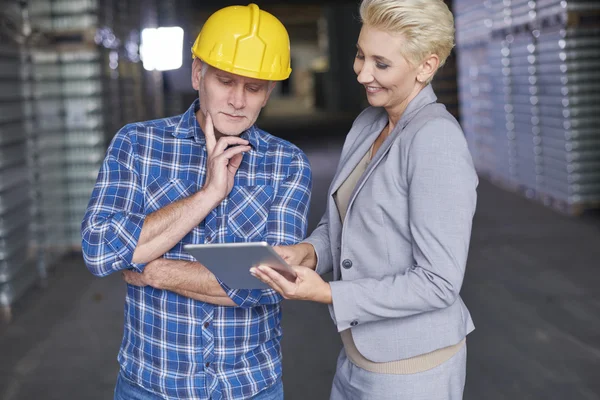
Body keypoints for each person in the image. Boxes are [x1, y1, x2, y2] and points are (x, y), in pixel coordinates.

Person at [81, 4, 312, 399]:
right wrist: (209, 195)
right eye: (225, 81)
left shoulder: (287, 164)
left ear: (268, 92)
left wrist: (156, 270)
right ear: (197, 74)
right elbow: (101, 251)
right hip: (150, 386)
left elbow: (272, 282)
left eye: (253, 87)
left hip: (250, 387)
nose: (238, 100)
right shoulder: (137, 145)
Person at [250, 0, 478, 399]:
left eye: (381, 63)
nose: (362, 73)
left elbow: (439, 283)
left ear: (426, 66)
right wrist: (308, 252)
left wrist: (328, 292)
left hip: (413, 371)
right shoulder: (369, 123)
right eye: (360, 55)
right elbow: (345, 220)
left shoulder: (435, 140)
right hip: (359, 358)